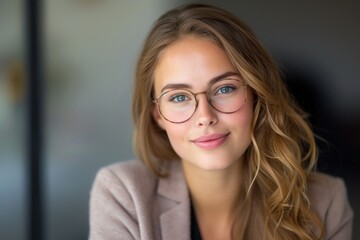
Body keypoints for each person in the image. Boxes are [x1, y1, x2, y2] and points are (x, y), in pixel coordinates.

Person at [89, 4, 353, 240]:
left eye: (224, 89)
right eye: (179, 97)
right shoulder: (124, 194)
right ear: (157, 114)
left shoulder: (325, 201)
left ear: (255, 95)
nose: (205, 116)